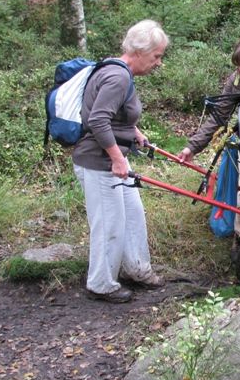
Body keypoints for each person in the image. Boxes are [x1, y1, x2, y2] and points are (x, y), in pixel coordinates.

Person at [72, 20, 169, 303]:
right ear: (140, 51)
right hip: (99, 163)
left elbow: (111, 114)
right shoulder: (119, 77)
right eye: (156, 56)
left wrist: (134, 132)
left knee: (133, 214)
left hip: (110, 160)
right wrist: (116, 158)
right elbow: (98, 119)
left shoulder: (117, 69)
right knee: (109, 224)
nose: (158, 63)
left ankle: (137, 269)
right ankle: (101, 283)